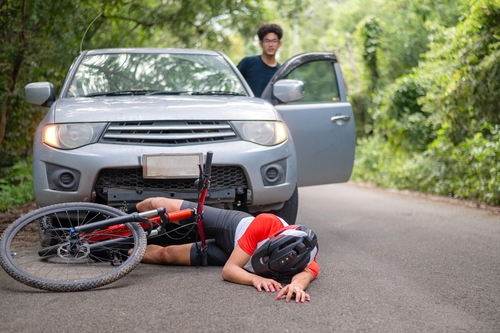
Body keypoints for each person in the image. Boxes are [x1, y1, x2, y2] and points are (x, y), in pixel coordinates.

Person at [127, 197, 319, 303]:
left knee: (166, 255)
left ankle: (123, 250)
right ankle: (124, 214)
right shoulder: (266, 223)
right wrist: (256, 278)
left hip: (231, 255)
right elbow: (230, 270)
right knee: (161, 207)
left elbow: (228, 269)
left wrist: (297, 287)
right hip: (231, 229)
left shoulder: (305, 257)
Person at [237, 23, 283, 97]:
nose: (270, 45)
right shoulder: (248, 62)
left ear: (279, 44)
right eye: (267, 41)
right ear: (261, 43)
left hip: (270, 108)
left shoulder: (281, 71)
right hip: (247, 107)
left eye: (274, 41)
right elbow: (232, 81)